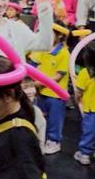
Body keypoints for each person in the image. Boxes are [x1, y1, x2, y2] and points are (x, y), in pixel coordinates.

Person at [28, 22, 69, 155]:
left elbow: (59, 75)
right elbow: (33, 63)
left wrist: (39, 83)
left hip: (56, 94)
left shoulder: (63, 53)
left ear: (59, 35)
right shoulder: (43, 49)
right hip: (41, 92)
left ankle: (54, 141)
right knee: (40, 116)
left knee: (55, 119)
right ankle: (40, 138)